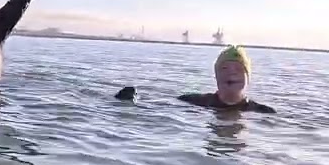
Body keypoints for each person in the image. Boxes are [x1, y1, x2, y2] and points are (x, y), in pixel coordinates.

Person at [114, 45, 276, 113]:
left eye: (238, 69)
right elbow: (161, 106)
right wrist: (132, 101)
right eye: (224, 69)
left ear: (248, 77)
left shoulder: (263, 112)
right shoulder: (196, 101)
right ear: (216, 76)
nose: (231, 74)